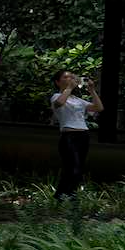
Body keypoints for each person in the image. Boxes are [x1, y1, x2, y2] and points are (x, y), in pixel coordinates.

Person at [50, 70, 101, 199]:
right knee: (72, 167)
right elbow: (59, 103)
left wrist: (92, 90)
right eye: (66, 77)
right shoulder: (56, 96)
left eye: (72, 77)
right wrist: (69, 88)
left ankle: (65, 195)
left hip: (83, 135)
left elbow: (98, 108)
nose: (70, 79)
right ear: (57, 82)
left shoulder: (77, 100)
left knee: (78, 167)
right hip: (69, 136)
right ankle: (65, 196)